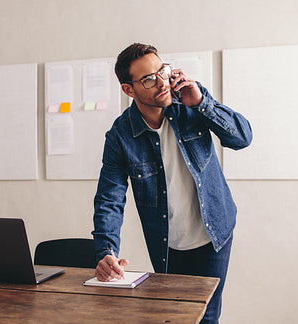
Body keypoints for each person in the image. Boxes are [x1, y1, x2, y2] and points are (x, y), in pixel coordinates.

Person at [92, 43, 252, 324]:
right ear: (129, 90)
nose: (161, 83)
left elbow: (242, 138)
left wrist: (203, 103)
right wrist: (107, 251)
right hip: (167, 244)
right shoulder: (120, 135)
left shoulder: (190, 101)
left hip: (213, 234)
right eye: (148, 80)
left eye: (161, 71)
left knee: (206, 317)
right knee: (174, 318)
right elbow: (109, 198)